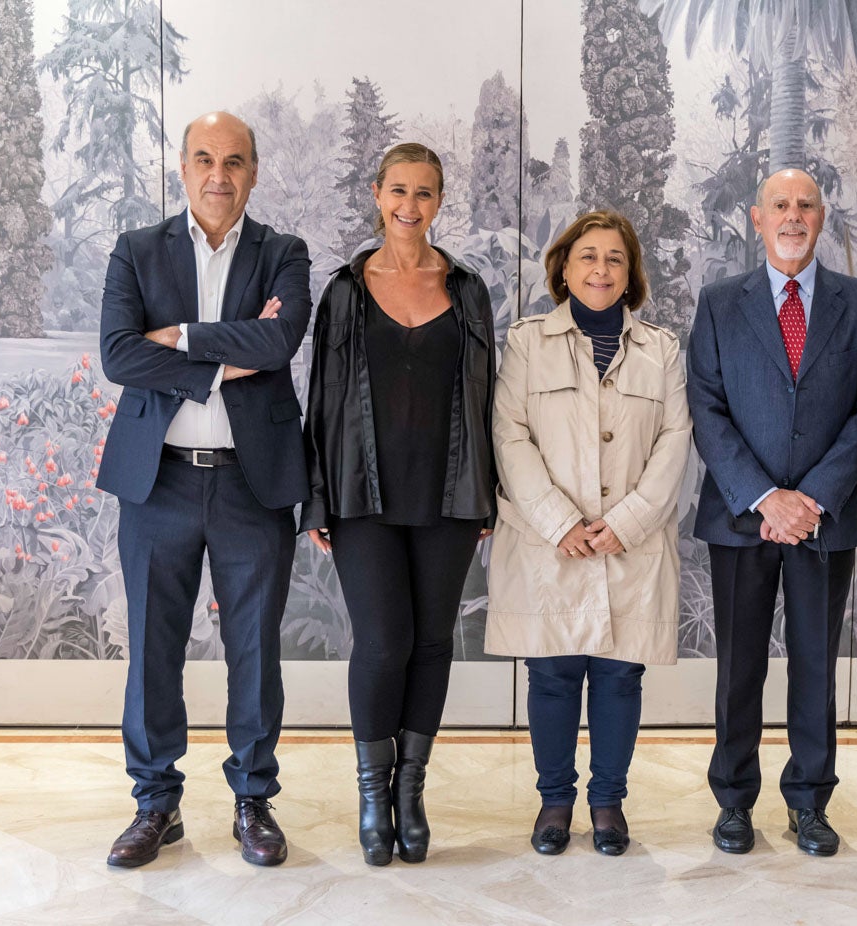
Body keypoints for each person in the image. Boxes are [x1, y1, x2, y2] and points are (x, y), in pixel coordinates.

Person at [98, 111, 312, 868]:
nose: (218, 174)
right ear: (182, 170)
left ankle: (253, 800)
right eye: (203, 160)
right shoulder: (136, 251)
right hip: (157, 485)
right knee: (153, 651)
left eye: (233, 161)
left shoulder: (284, 252)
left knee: (254, 651)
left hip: (252, 486)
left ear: (253, 172)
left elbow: (280, 341)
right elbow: (120, 356)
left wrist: (182, 338)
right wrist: (228, 353)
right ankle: (156, 804)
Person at [300, 143, 496, 867]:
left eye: (425, 194)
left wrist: (485, 491)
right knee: (383, 642)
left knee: (433, 643)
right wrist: (316, 495)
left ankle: (411, 789)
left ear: (439, 202)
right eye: (399, 192)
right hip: (362, 497)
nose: (410, 207)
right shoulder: (346, 291)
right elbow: (320, 398)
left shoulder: (468, 288)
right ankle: (372, 794)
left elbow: (485, 395)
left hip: (448, 495)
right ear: (377, 194)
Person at [688, 169, 857, 857]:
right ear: (755, 218)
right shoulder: (718, 303)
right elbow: (705, 408)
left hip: (823, 521)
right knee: (738, 666)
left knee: (814, 664)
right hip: (741, 519)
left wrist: (813, 498)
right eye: (779, 206)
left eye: (804, 205)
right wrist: (765, 496)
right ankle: (733, 800)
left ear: (821, 217)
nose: (792, 217)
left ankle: (808, 801)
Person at [486, 210, 692, 857]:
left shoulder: (660, 349)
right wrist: (560, 521)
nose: (600, 269)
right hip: (547, 544)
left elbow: (674, 442)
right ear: (563, 269)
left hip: (628, 546)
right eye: (587, 257)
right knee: (549, 677)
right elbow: (509, 434)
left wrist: (625, 521)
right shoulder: (526, 342)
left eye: (613, 259)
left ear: (629, 275)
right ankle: (554, 801)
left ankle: (607, 802)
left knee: (617, 678)